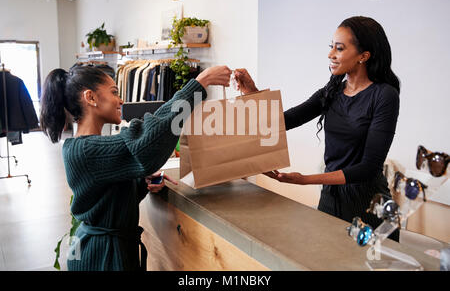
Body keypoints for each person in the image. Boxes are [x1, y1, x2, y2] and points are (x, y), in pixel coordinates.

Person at [40, 65, 231, 270]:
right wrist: (199, 83)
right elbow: (147, 143)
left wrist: (141, 181)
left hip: (107, 250)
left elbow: (108, 196)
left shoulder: (90, 145)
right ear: (91, 97)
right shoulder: (85, 150)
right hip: (102, 257)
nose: (121, 100)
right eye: (114, 92)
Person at [235, 16, 401, 241]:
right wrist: (251, 92)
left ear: (364, 56)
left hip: (369, 206)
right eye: (331, 46)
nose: (331, 54)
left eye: (339, 48)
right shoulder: (332, 91)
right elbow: (285, 120)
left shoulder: (384, 95)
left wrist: (305, 180)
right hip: (330, 201)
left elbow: (369, 168)